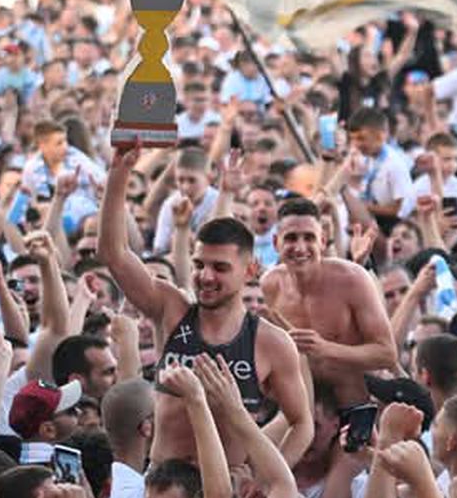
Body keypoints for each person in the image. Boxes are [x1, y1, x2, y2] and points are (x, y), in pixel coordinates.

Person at [98, 149, 311, 467]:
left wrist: (265, 478)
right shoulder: (170, 310)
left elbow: (302, 423)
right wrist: (119, 172)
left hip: (226, 484)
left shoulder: (270, 342)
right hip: (164, 479)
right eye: (199, 265)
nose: (206, 277)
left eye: (220, 268)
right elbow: (113, 254)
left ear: (250, 270)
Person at [262, 198, 397, 407]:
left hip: (354, 402)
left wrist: (325, 348)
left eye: (309, 238)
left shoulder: (352, 279)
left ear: (323, 241)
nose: (300, 248)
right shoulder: (269, 285)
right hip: (297, 406)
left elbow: (387, 353)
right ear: (275, 243)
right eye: (291, 238)